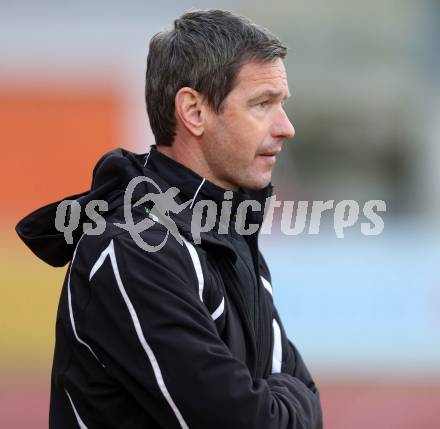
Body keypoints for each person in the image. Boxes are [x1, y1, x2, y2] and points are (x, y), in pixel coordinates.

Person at [16, 9, 323, 429]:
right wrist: (279, 399)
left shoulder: (229, 233)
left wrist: (278, 400)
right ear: (193, 112)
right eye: (262, 104)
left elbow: (305, 394)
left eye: (280, 104)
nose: (286, 127)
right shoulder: (131, 248)